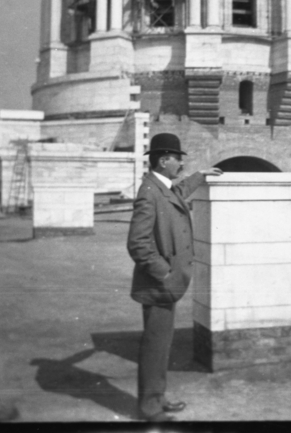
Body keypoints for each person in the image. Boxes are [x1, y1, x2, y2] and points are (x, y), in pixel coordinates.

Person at [127, 132, 222, 422]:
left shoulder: (161, 187)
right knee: (155, 346)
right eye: (177, 158)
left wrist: (200, 175)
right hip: (159, 285)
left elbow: (177, 194)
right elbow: (137, 243)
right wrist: (164, 273)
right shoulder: (149, 192)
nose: (180, 162)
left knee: (161, 345)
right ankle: (150, 407)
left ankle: (157, 396)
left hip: (164, 287)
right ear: (163, 159)